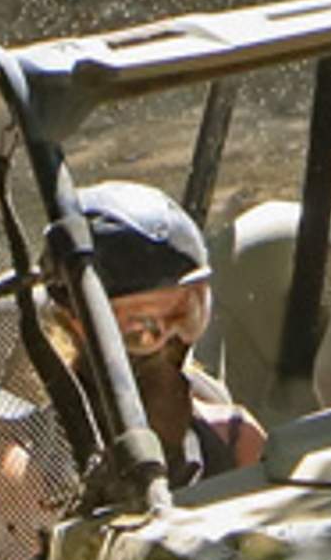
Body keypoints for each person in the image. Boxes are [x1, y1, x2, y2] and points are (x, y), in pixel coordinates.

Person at [69, 182, 264, 487]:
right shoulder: (36, 472)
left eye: (186, 313)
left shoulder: (235, 439)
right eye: (141, 326)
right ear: (76, 324)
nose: (170, 340)